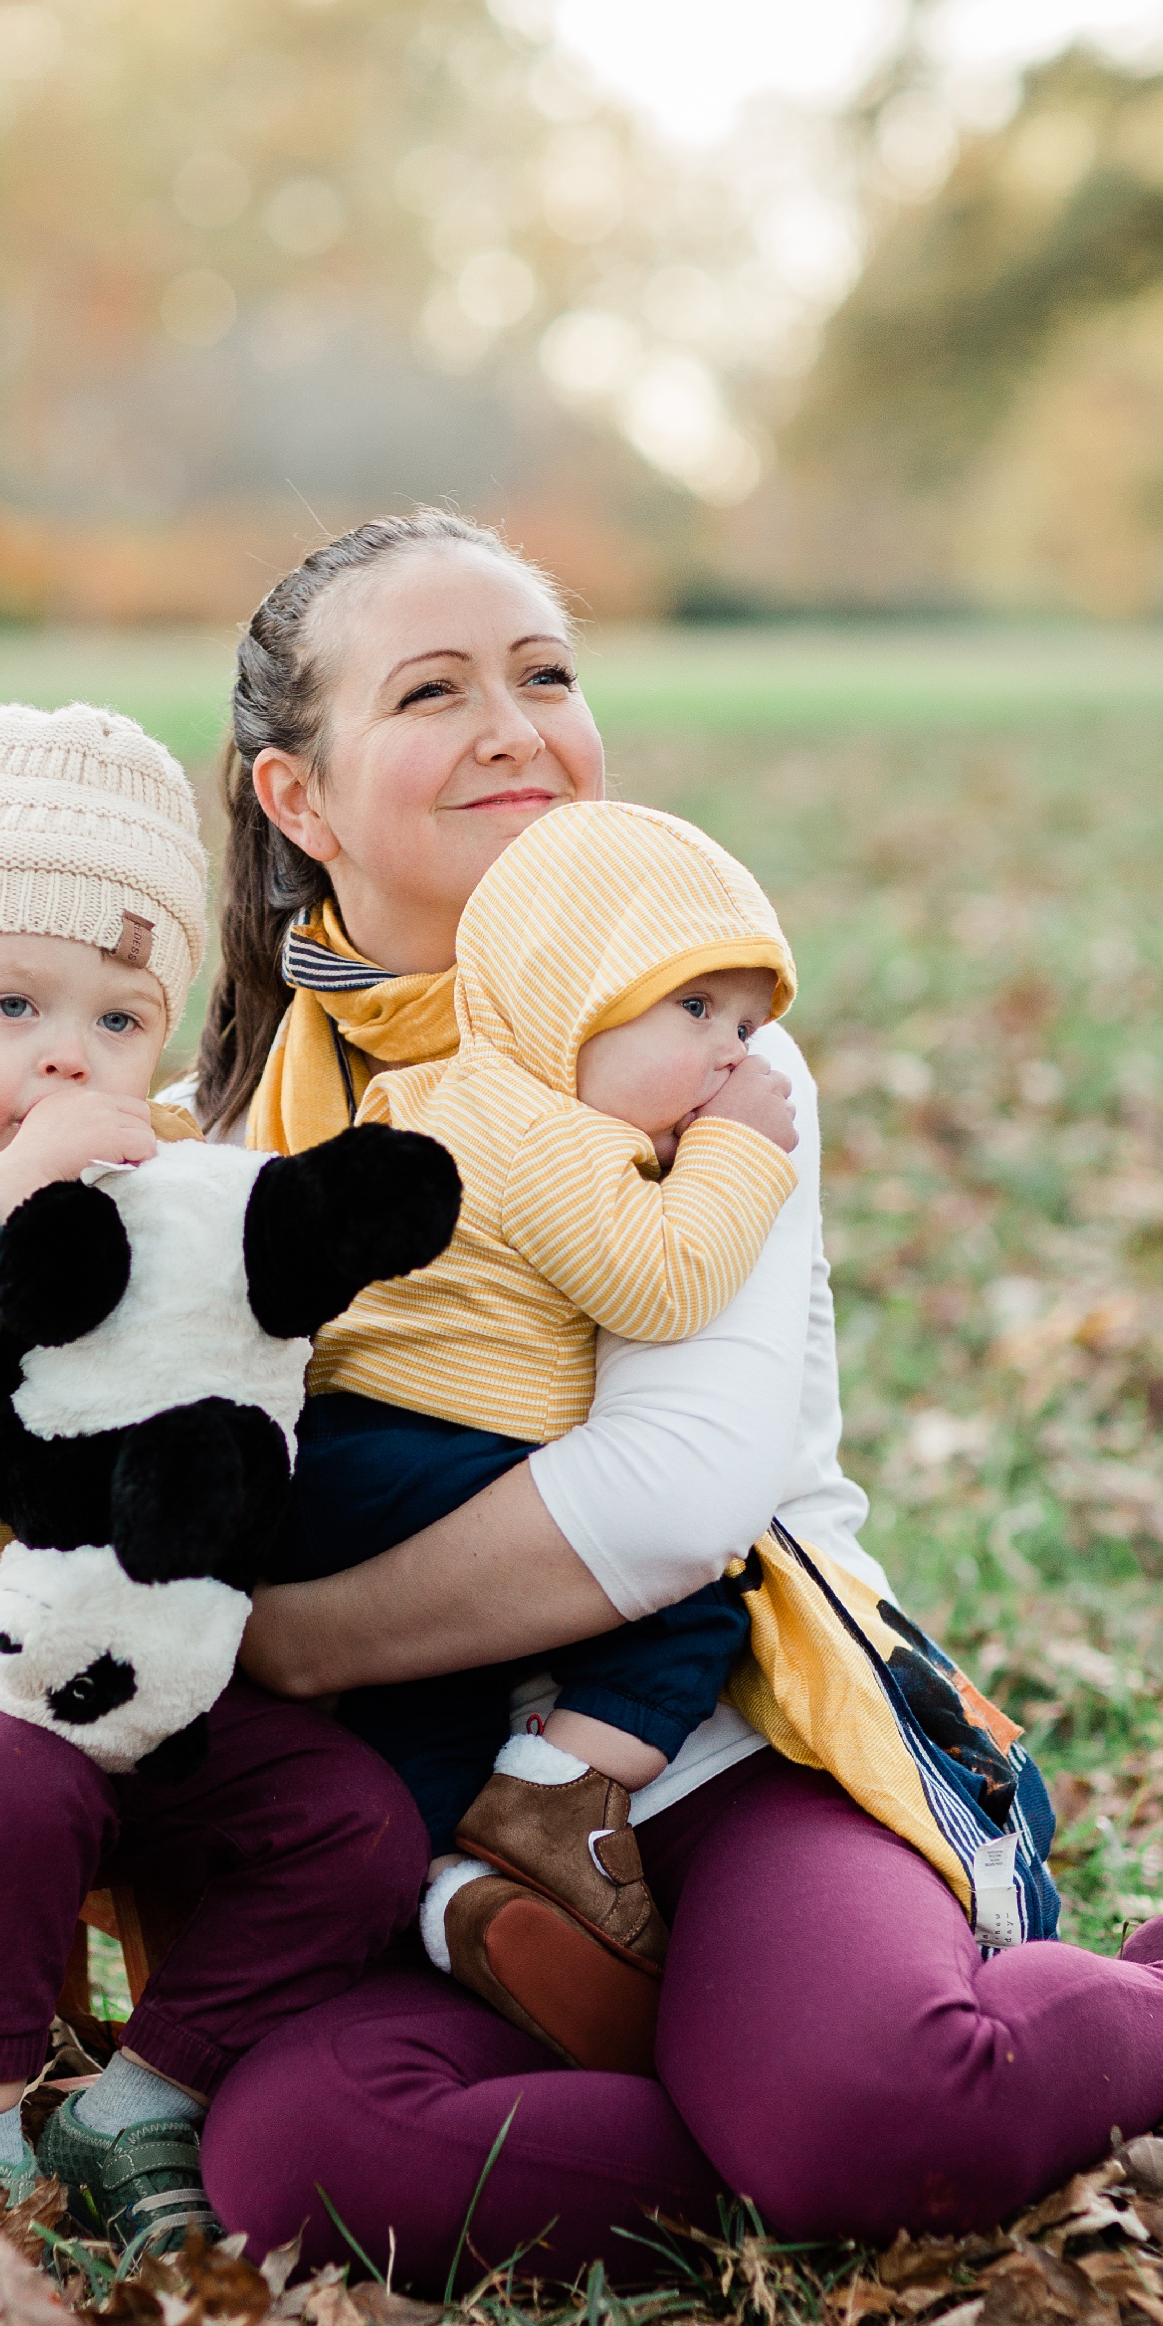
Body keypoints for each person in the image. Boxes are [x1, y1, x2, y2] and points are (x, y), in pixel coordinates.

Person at [0, 513, 1163, 2291]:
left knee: (855, 2108)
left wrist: (283, 1646)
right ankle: (925, 2076)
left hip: (705, 1745)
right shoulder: (199, 1122)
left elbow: (673, 1496)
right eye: (431, 690)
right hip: (421, 1834)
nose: (511, 725)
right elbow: (5, 1469)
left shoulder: (698, 1047)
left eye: (543, 674)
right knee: (298, 2168)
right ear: (295, 800)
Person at [0, 701, 427, 2249]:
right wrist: (7, 1191)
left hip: (156, 1655)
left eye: (121, 1020)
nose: (69, 1051)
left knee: (355, 1821)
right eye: (10, 1002)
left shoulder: (173, 1177)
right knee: (13, 1781)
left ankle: (147, 2094)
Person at [273, 795, 802, 2034]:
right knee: (688, 1602)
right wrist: (737, 1157)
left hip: (345, 1468)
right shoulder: (537, 1125)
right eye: (694, 1009)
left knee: (430, 1696)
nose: (735, 1056)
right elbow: (660, 1283)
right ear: (567, 998)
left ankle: (445, 1890)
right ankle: (554, 1800)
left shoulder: (436, 1095)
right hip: (426, 1444)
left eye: (745, 1023)